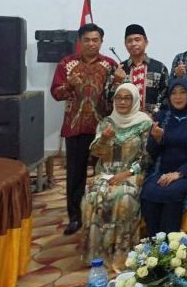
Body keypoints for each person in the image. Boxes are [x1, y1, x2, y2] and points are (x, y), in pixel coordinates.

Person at [50, 23, 117, 235]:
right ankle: (75, 217)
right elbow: (56, 94)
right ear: (80, 41)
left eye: (95, 40)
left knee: (104, 173)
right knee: (75, 175)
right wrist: (69, 84)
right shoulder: (66, 64)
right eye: (87, 40)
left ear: (101, 41)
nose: (91, 44)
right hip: (75, 128)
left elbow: (117, 96)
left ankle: (101, 214)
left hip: (103, 129)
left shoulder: (110, 65)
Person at [81, 83, 152, 271]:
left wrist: (128, 173)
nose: (122, 102)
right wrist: (104, 139)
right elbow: (95, 152)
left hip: (132, 173)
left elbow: (148, 157)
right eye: (118, 98)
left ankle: (123, 254)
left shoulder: (144, 123)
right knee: (92, 198)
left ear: (135, 100)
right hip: (106, 172)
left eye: (127, 98)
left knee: (124, 198)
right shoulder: (106, 123)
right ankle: (97, 255)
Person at [140, 78, 187, 234]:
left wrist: (179, 173)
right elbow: (151, 151)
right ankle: (154, 241)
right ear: (169, 96)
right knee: (149, 191)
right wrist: (157, 139)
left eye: (183, 92)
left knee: (173, 191)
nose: (178, 97)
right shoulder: (161, 117)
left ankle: (171, 243)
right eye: (174, 93)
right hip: (161, 171)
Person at [109, 24, 169, 115]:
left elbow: (166, 97)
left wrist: (154, 115)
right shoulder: (119, 69)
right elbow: (108, 99)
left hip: (152, 120)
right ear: (125, 44)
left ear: (146, 42)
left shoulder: (159, 68)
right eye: (129, 41)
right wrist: (116, 81)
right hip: (124, 120)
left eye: (137, 40)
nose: (133, 44)